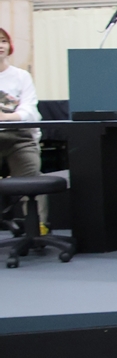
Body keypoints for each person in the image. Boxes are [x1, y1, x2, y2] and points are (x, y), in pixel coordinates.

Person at [0, 27, 45, 229]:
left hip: (18, 138)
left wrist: (6, 117)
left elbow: (30, 111)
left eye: (3, 41)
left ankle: (38, 228)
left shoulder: (21, 76)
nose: (0, 45)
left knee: (33, 180)